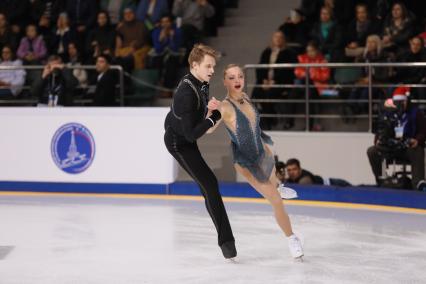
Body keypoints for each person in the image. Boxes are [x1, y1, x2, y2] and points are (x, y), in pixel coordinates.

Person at [208, 64, 304, 260]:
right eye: (232, 77)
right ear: (225, 82)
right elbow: (209, 129)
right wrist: (210, 112)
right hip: (246, 161)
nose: (237, 81)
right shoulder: (225, 106)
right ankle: (292, 238)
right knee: (276, 202)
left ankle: (278, 186)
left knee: (274, 180)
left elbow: (253, 126)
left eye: (240, 76)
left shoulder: (247, 98)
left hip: (261, 150)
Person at [163, 44, 236, 259]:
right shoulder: (187, 93)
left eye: (214, 66)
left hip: (184, 132)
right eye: (208, 66)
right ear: (194, 65)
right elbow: (192, 135)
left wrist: (214, 113)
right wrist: (213, 116)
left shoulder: (201, 84)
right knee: (210, 184)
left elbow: (209, 129)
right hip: (178, 142)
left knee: (209, 185)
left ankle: (227, 243)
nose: (213, 71)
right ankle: (227, 243)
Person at [367, 86, 426, 190]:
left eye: (401, 102)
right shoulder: (388, 113)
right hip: (390, 147)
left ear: (406, 101)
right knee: (372, 151)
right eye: (397, 102)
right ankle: (381, 180)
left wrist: (417, 140)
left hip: (408, 146)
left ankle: (418, 183)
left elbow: (423, 131)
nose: (399, 105)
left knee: (417, 150)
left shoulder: (416, 113)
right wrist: (378, 140)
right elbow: (381, 130)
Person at [251, 31, 297, 130]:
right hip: (265, 81)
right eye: (276, 37)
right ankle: (270, 117)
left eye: (280, 37)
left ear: (283, 40)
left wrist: (274, 81)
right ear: (272, 39)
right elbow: (260, 66)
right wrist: (263, 80)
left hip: (281, 82)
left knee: (269, 94)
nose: (278, 39)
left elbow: (287, 71)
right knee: (257, 93)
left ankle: (268, 121)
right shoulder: (267, 51)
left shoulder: (289, 53)